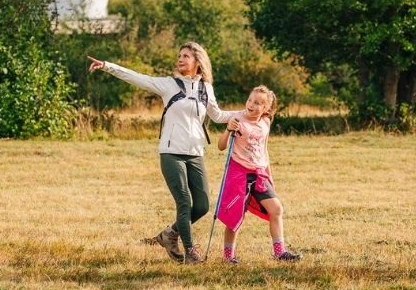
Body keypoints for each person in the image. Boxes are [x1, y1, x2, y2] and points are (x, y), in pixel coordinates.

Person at [87, 43, 235, 264]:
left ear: (198, 62)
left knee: (202, 205)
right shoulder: (169, 85)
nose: (181, 59)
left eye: (186, 56)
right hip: (171, 152)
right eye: (179, 55)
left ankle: (169, 234)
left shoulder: (207, 88)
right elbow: (136, 77)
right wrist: (107, 66)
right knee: (184, 202)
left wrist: (251, 113)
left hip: (195, 153)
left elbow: (218, 115)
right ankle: (190, 252)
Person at [214, 85, 301, 263]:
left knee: (276, 209)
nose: (252, 104)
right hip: (239, 172)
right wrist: (228, 129)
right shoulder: (237, 120)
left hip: (259, 173)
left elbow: (264, 150)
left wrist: (269, 175)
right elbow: (221, 146)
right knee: (235, 216)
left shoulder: (265, 123)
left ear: (266, 108)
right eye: (250, 100)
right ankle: (228, 256)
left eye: (258, 103)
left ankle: (280, 252)